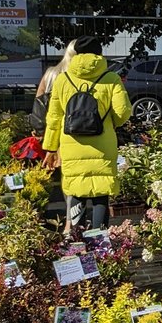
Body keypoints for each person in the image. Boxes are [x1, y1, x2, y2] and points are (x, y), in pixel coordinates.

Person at [42, 36, 132, 231]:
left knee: (76, 190)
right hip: (103, 144)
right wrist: (109, 123)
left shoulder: (63, 80)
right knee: (101, 192)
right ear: (99, 53)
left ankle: (78, 241)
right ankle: (100, 242)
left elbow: (54, 118)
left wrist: (49, 148)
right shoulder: (111, 79)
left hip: (72, 145)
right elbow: (123, 112)